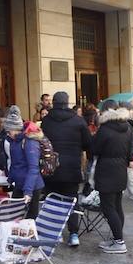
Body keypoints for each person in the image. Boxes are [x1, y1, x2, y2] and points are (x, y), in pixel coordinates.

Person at [41, 92, 91, 247]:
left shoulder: (46, 121)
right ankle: (74, 233)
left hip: (51, 167)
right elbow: (88, 143)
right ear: (67, 102)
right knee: (72, 200)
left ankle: (54, 233)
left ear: (54, 103)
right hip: (72, 167)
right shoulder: (78, 120)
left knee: (52, 200)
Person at [92, 101, 133, 254]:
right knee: (117, 206)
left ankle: (119, 242)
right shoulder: (127, 127)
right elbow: (130, 147)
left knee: (108, 207)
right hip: (120, 170)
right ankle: (118, 237)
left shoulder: (104, 129)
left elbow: (95, 149)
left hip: (106, 171)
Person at [1, 106, 43, 219]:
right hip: (20, 184)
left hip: (32, 185)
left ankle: (31, 236)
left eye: (9, 131)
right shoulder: (14, 141)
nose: (7, 133)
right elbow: (15, 163)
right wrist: (10, 178)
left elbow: (33, 168)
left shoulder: (29, 142)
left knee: (30, 218)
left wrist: (28, 191)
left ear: (16, 129)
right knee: (14, 215)